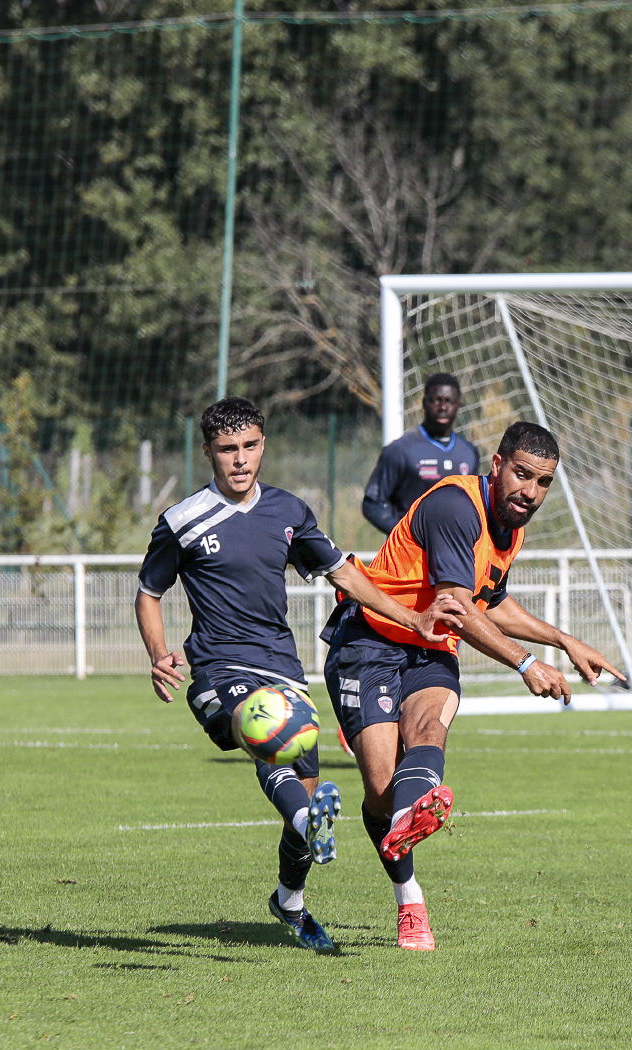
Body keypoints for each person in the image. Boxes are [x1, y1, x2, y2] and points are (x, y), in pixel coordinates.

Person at [137, 397, 463, 952]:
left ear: (263, 444)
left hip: (283, 669)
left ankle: (290, 896)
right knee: (263, 732)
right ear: (208, 452)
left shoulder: (288, 512)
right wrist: (160, 651)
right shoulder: (183, 521)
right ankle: (311, 816)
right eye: (226, 450)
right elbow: (149, 592)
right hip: (218, 667)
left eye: (249, 446)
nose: (239, 460)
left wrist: (411, 616)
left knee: (298, 800)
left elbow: (345, 574)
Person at [323, 421, 626, 951]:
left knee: (427, 729)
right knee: (378, 787)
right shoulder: (455, 507)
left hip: (430, 645)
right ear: (496, 465)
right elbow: (461, 609)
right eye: (522, 475)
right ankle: (407, 877)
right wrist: (528, 663)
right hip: (369, 639)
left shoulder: (512, 527)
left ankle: (409, 880)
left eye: (543, 482)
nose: (530, 492)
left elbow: (490, 601)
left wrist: (564, 639)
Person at [362, 373, 481, 535]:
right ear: (424, 402)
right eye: (436, 400)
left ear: (458, 405)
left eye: (449, 401)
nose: (443, 407)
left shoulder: (469, 452)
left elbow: (473, 505)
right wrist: (405, 535)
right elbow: (371, 504)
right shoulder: (400, 450)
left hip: (454, 553)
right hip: (410, 556)